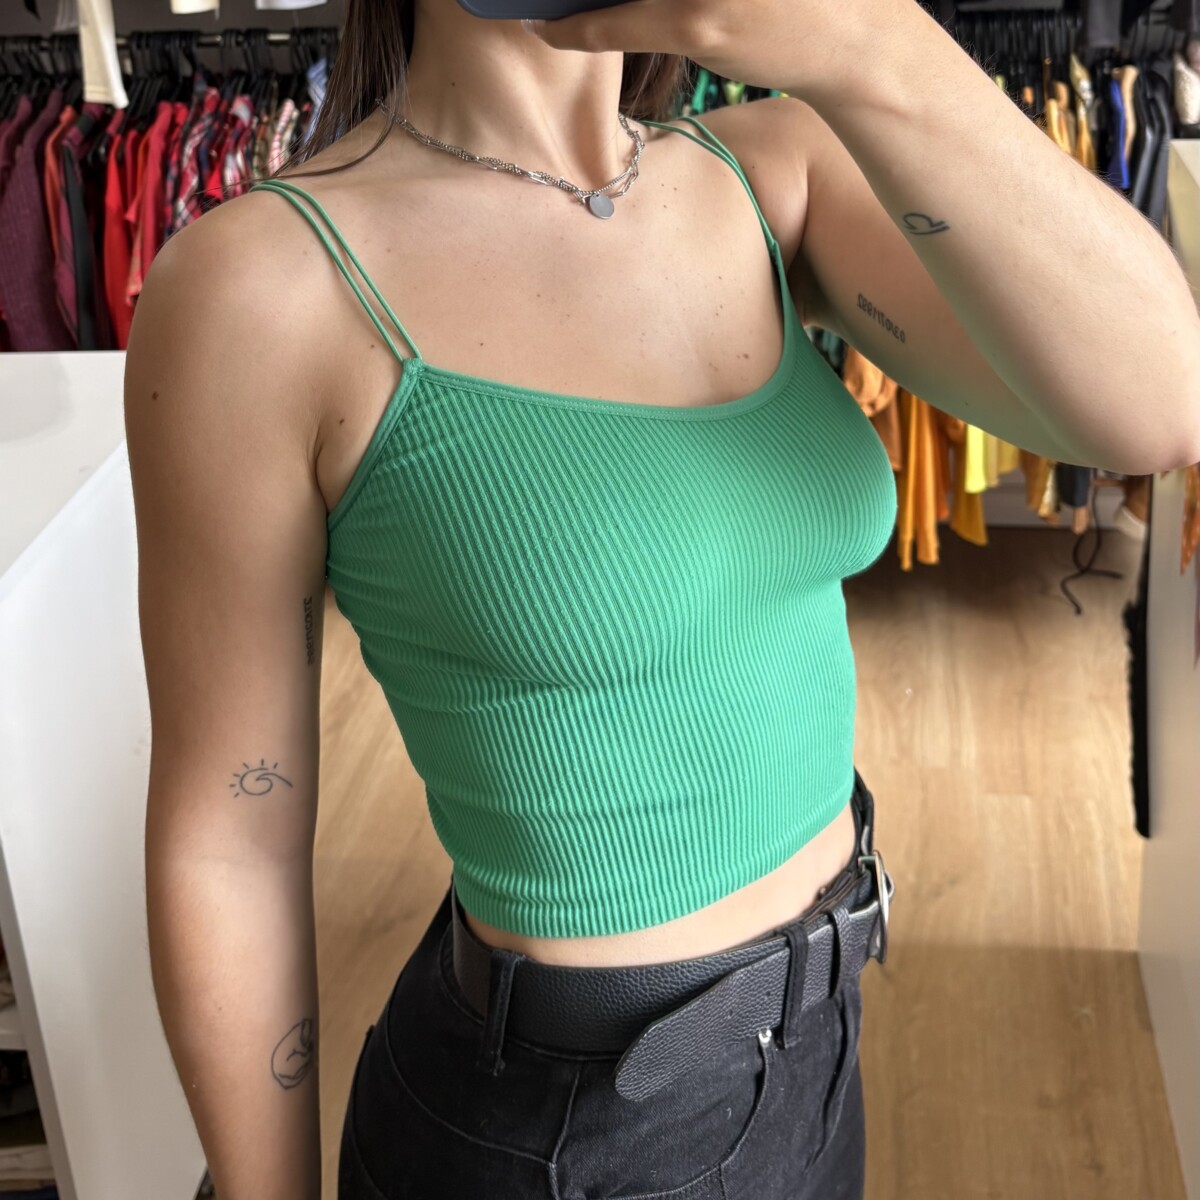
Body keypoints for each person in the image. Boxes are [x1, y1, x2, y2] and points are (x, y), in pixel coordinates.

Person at [123, 0, 1200, 1196]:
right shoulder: (264, 288)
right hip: (566, 1133)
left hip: (820, 1035)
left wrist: (875, 43)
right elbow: (230, 841)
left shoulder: (770, 174)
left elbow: (1160, 400)